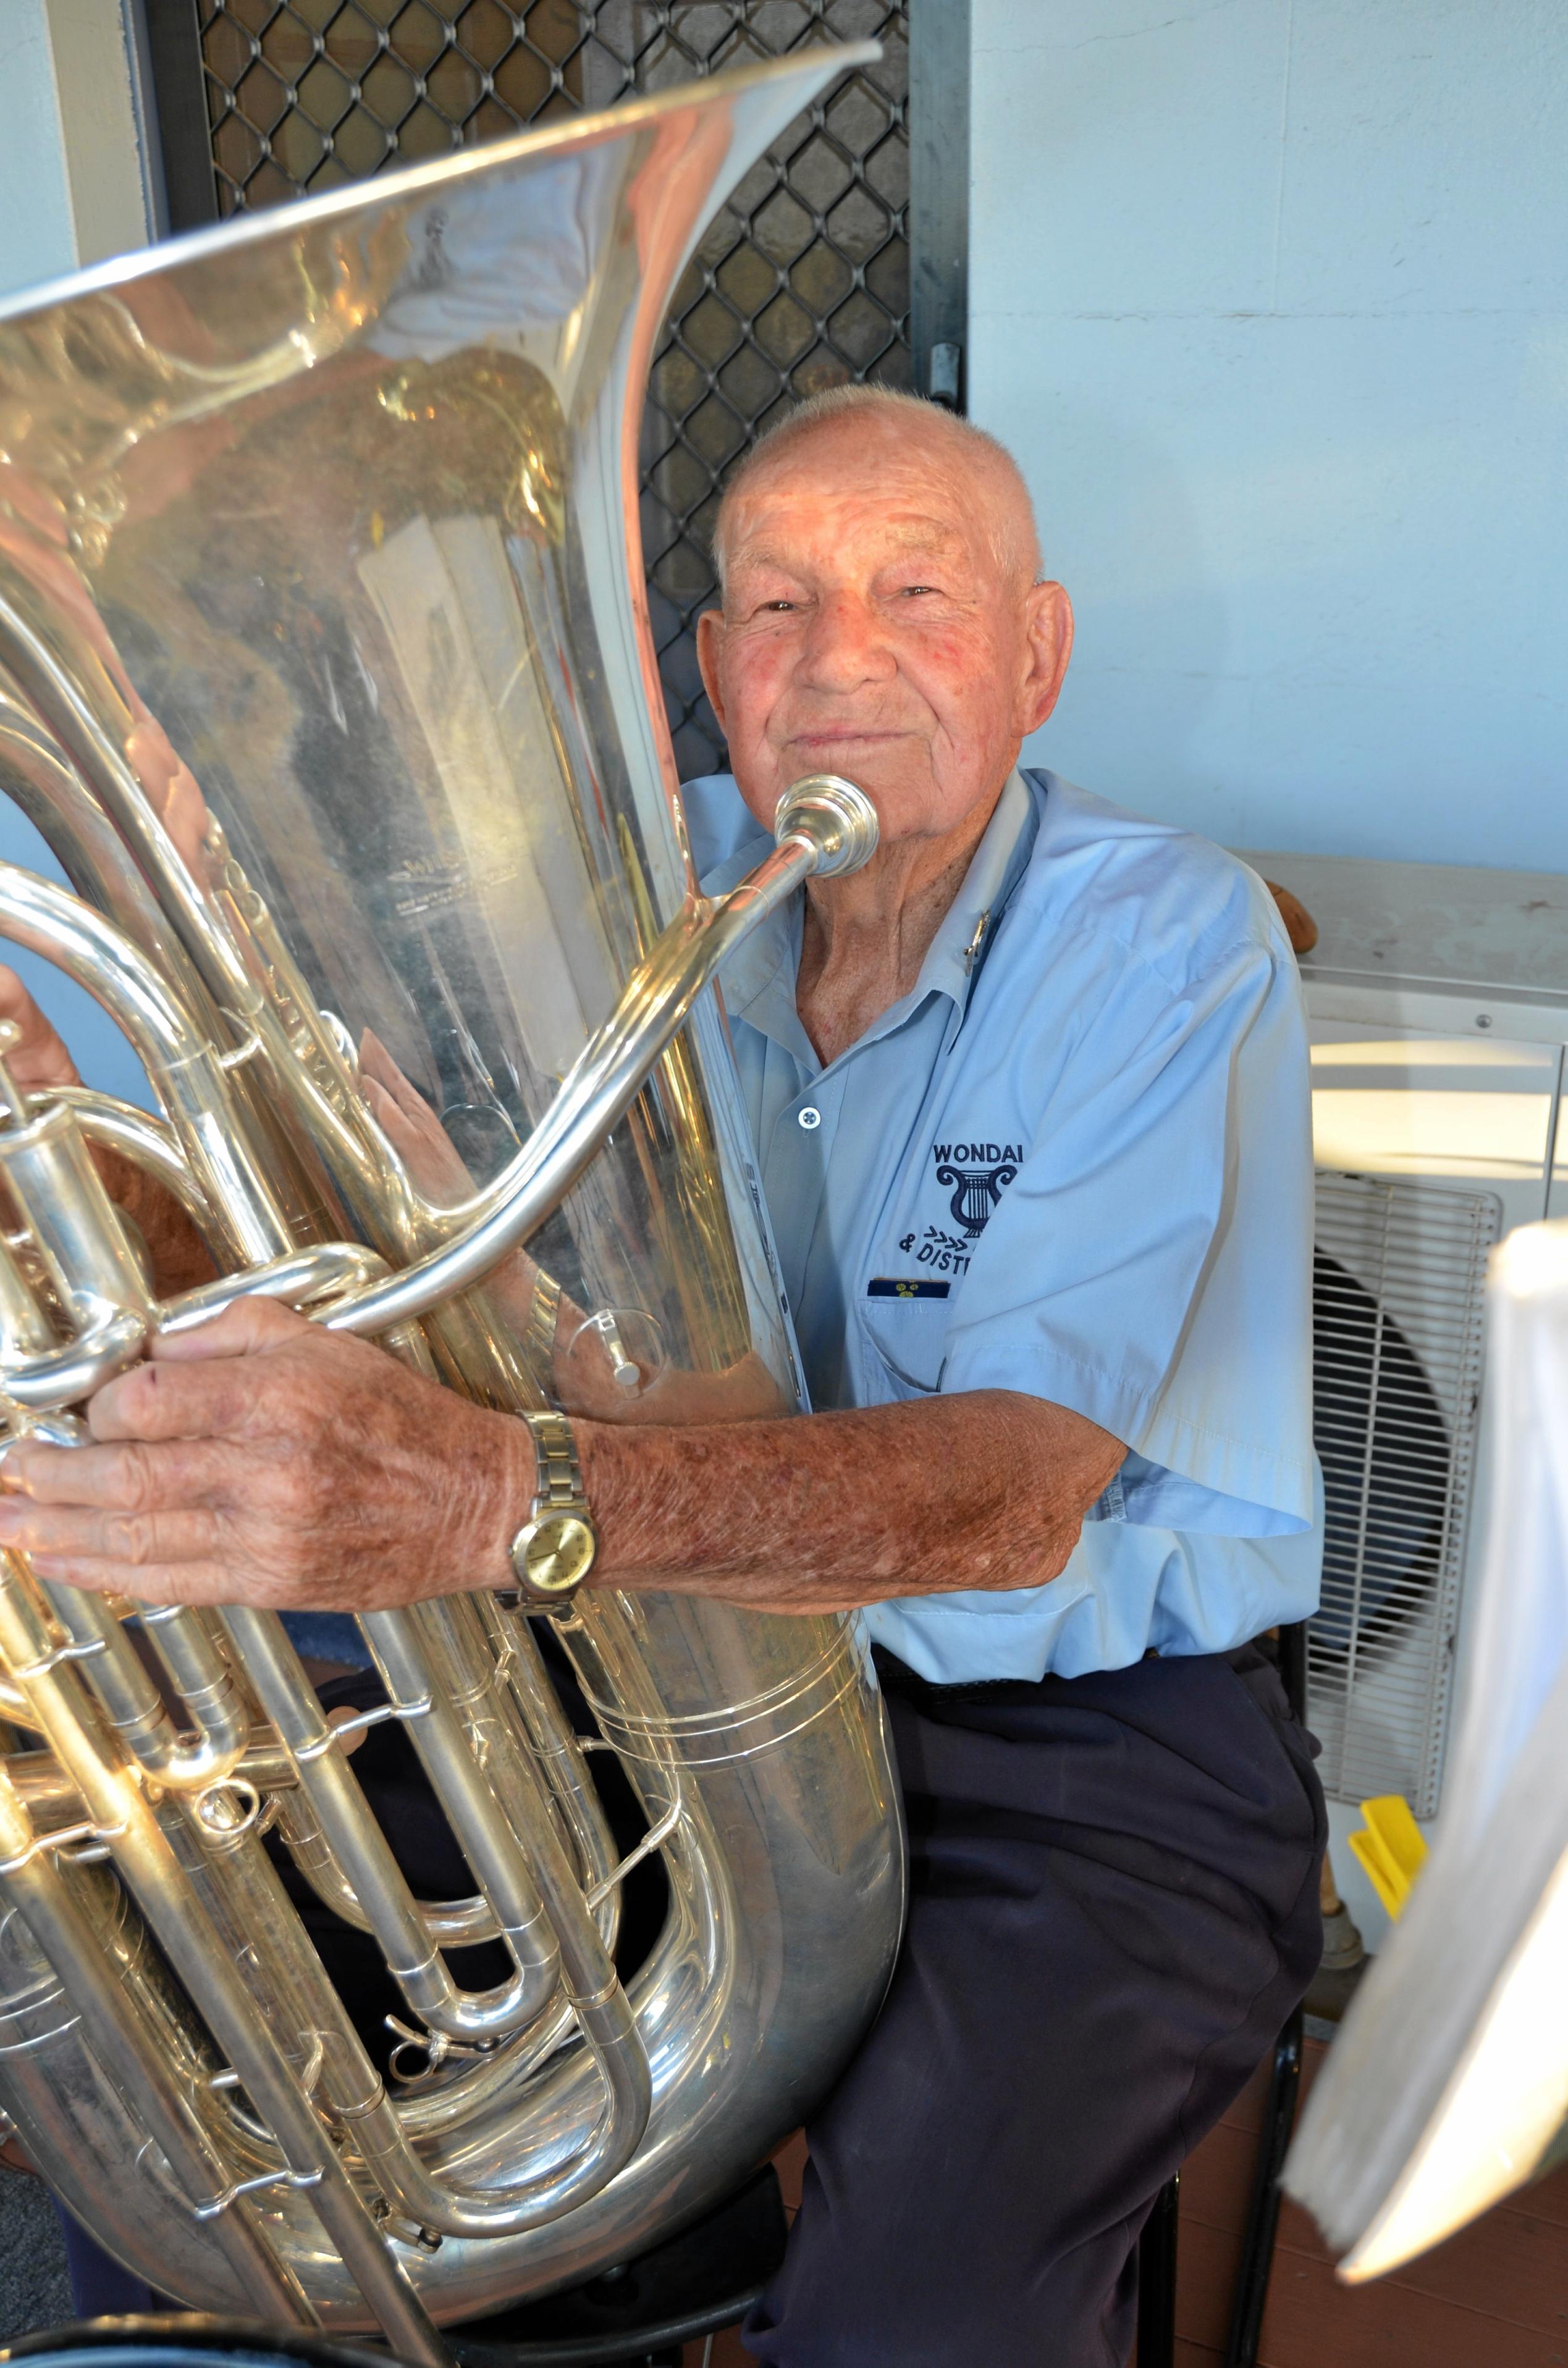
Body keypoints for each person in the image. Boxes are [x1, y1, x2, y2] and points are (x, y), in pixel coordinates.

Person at [0, 386, 1325, 2366]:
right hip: (638, 1646)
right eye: (777, 604)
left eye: (917, 596)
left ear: (1035, 654)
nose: (840, 660)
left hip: (1081, 1728)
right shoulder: (632, 890)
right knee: (249, 2123)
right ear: (710, 670)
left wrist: (487, 1499)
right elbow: (406, 1272)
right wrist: (87, 1143)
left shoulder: (1165, 937)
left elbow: (1007, 1493)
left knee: (924, 2311)